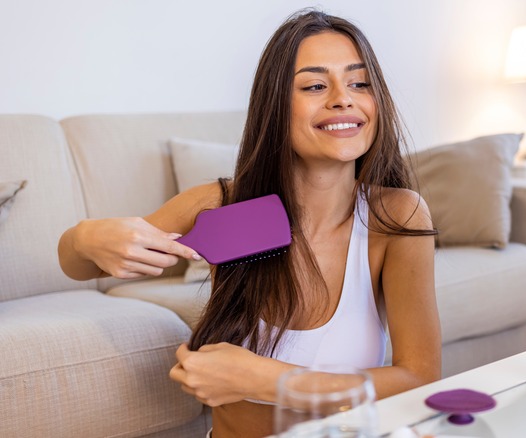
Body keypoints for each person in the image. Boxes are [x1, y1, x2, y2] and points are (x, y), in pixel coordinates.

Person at [57, 8, 441, 437]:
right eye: (315, 85)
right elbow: (77, 265)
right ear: (275, 105)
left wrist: (265, 380)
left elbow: (419, 377)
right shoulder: (221, 205)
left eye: (359, 83)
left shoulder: (396, 217)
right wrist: (86, 237)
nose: (342, 98)